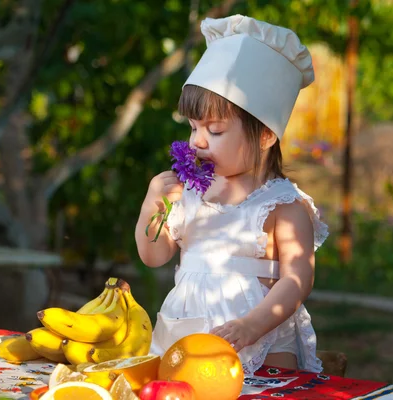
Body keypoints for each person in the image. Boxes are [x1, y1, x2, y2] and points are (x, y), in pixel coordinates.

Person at [135, 14, 329, 375]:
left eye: (216, 130)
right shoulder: (191, 192)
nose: (198, 141)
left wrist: (252, 326)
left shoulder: (281, 205)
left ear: (265, 136)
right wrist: (153, 204)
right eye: (194, 128)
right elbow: (154, 255)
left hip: (263, 340)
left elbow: (297, 279)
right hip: (187, 334)